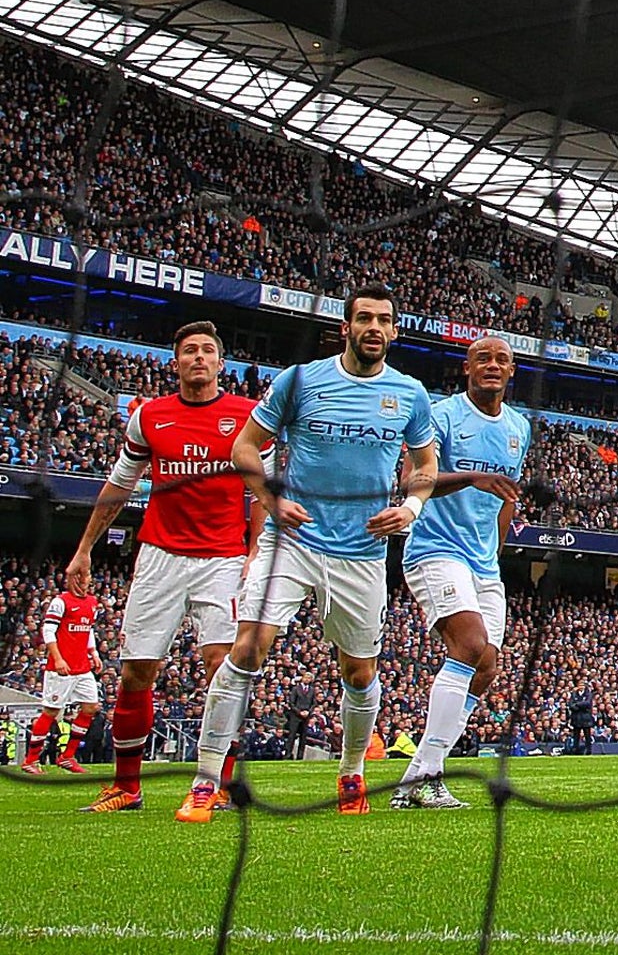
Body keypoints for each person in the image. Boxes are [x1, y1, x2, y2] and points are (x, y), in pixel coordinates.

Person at [175, 285, 437, 822]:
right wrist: (269, 500)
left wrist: (409, 510)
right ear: (346, 326)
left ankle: (351, 773)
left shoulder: (409, 394)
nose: (373, 327)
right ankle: (205, 782)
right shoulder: (300, 381)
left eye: (383, 320)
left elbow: (425, 468)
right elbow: (243, 447)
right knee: (248, 648)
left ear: (393, 330)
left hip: (361, 549)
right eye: (363, 317)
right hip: (292, 540)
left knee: (359, 672)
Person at [65, 320, 259, 812]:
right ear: (175, 362)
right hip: (159, 557)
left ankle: (215, 784)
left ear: (221, 363)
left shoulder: (246, 416)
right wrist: (84, 547)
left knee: (224, 666)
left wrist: (256, 551)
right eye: (189, 350)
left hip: (223, 559)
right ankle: (126, 787)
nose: (198, 357)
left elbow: (263, 488)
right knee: (135, 672)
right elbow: (119, 484)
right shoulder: (149, 417)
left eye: (207, 351)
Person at [391, 336, 527, 809]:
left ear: (512, 371)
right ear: (466, 368)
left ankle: (417, 777)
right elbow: (413, 479)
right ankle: (428, 775)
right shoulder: (442, 415)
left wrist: (496, 555)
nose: (492, 365)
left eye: (501, 360)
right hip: (434, 549)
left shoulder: (518, 427)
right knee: (469, 646)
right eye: (483, 359)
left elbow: (505, 500)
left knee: (486, 665)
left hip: (483, 562)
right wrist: (470, 477)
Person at [21, 577, 101, 775]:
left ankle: (67, 756)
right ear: (72, 581)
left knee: (91, 707)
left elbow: (87, 629)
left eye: (87, 581)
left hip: (82, 666)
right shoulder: (61, 602)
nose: (84, 585)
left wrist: (94, 653)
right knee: (51, 711)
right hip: (61, 668)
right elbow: (49, 630)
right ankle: (30, 760)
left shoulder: (92, 602)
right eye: (81, 581)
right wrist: (57, 659)